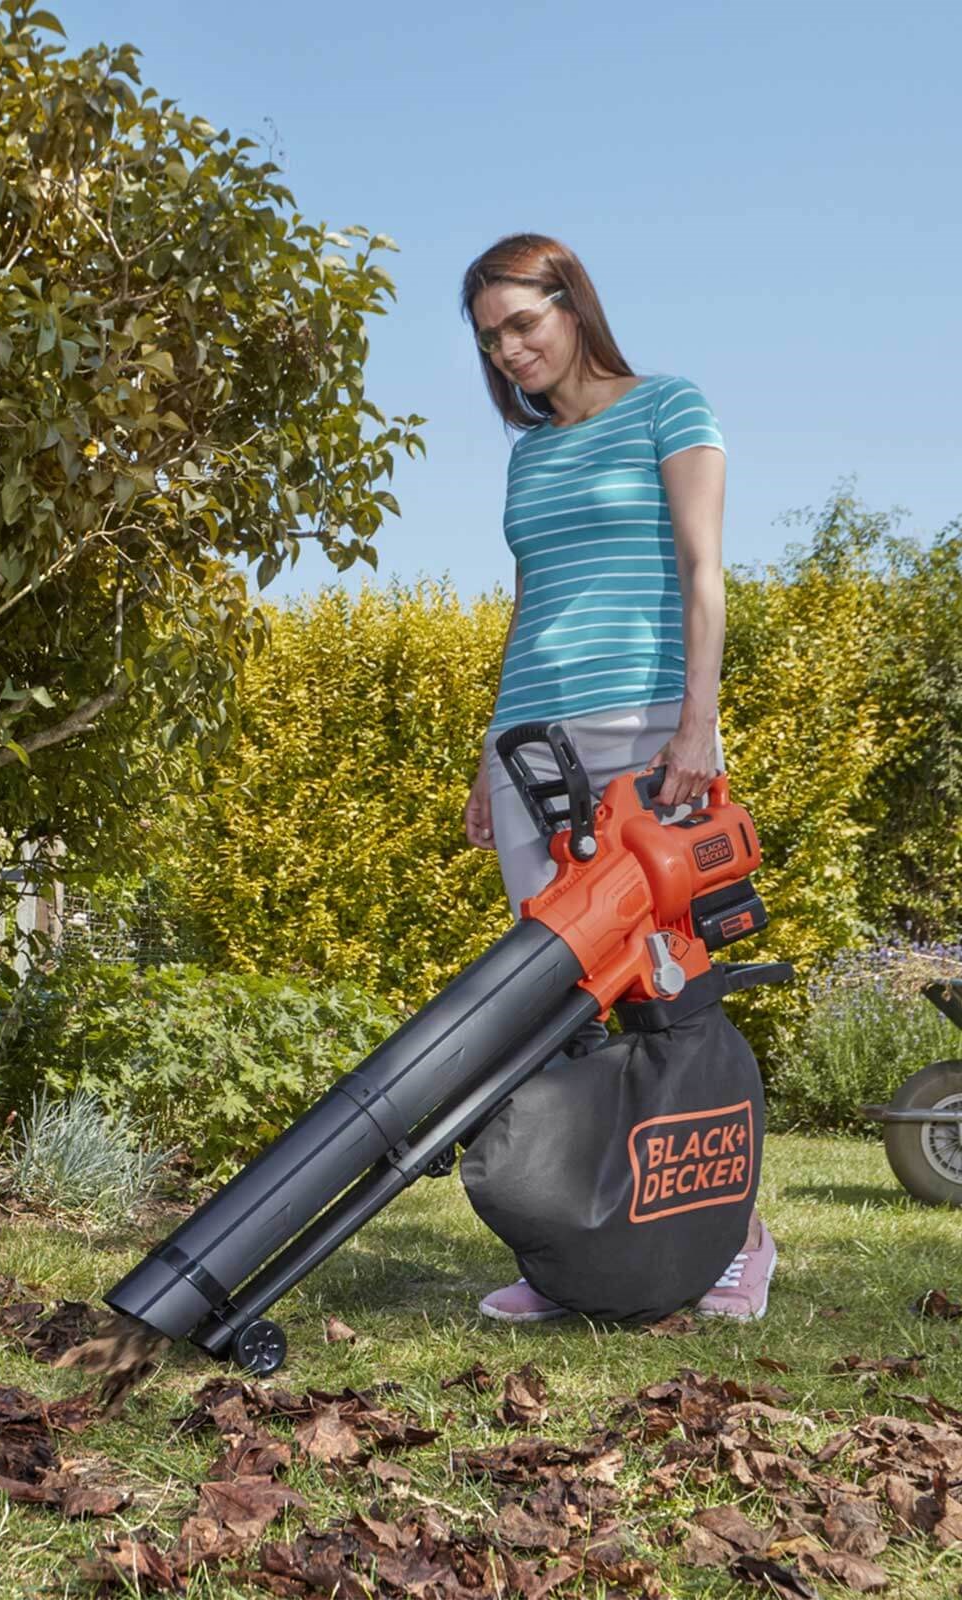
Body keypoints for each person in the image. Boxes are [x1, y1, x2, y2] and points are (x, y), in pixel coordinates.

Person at [458, 232, 775, 1323]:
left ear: (571, 305)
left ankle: (734, 1237)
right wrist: (482, 760)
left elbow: (701, 571)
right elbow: (529, 607)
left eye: (522, 323)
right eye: (490, 337)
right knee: (563, 1008)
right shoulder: (528, 453)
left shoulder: (668, 406)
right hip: (529, 747)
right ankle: (582, 1252)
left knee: (664, 996)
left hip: (644, 734)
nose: (508, 351)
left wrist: (697, 726)